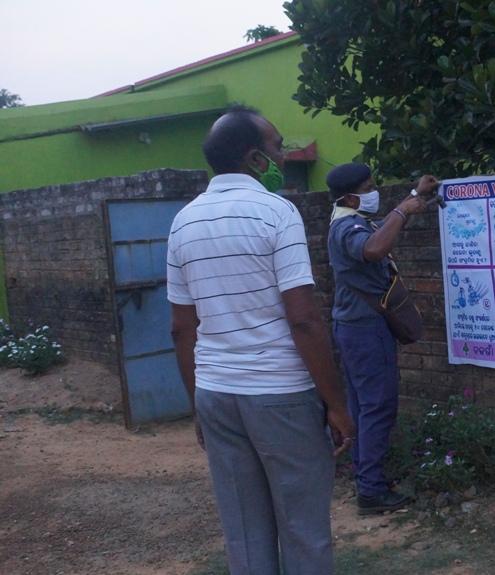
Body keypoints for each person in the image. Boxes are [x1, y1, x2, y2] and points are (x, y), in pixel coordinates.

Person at [168, 105, 356, 575]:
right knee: (304, 529)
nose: (282, 156)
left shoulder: (183, 222)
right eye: (275, 148)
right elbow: (306, 321)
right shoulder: (277, 213)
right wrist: (335, 404)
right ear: (254, 159)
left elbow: (181, 328)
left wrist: (197, 404)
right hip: (280, 395)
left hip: (216, 394)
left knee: (245, 533)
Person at [326, 162, 437, 514]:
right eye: (368, 186)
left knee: (363, 406)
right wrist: (404, 209)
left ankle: (367, 479)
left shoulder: (351, 220)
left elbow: (378, 231)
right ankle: (371, 491)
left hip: (357, 327)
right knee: (378, 406)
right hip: (365, 329)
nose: (374, 191)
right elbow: (373, 249)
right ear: (350, 198)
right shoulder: (347, 227)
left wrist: (416, 194)